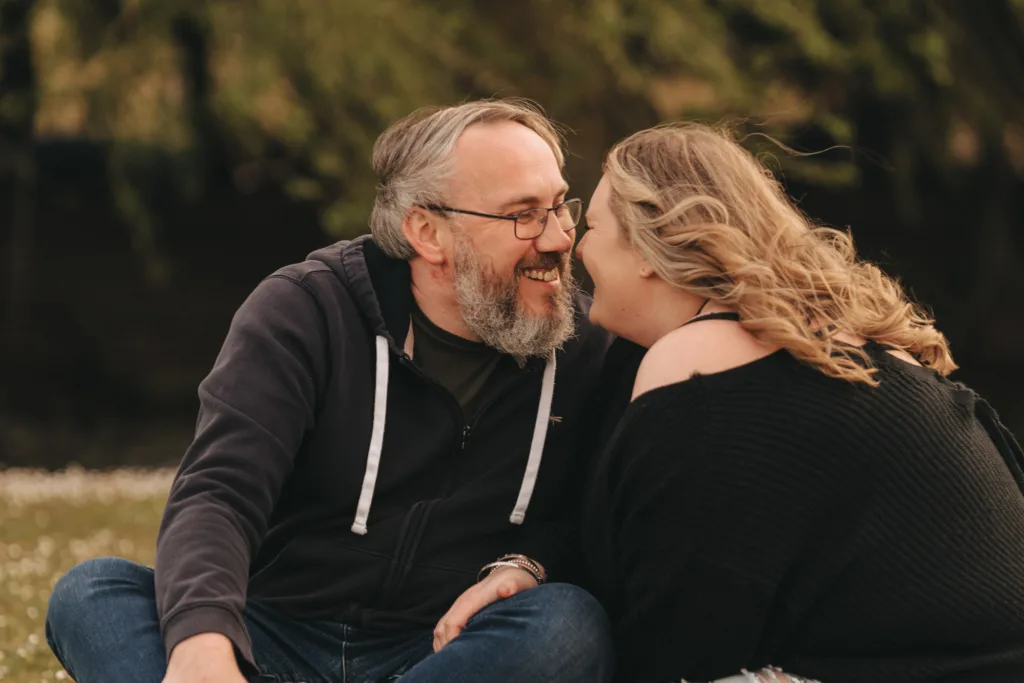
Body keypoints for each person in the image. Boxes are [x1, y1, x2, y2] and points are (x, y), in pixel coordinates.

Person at [45, 99, 619, 683]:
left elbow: (601, 522)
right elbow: (219, 493)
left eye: (559, 206)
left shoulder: (587, 348)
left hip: (443, 648)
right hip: (273, 633)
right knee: (94, 593)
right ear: (427, 231)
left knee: (566, 623)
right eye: (524, 214)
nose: (559, 238)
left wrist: (532, 563)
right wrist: (203, 642)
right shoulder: (305, 311)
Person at [576, 122, 1024, 683]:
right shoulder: (859, 344)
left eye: (590, 227)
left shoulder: (697, 360)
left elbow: (679, 639)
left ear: (646, 248)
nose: (576, 246)